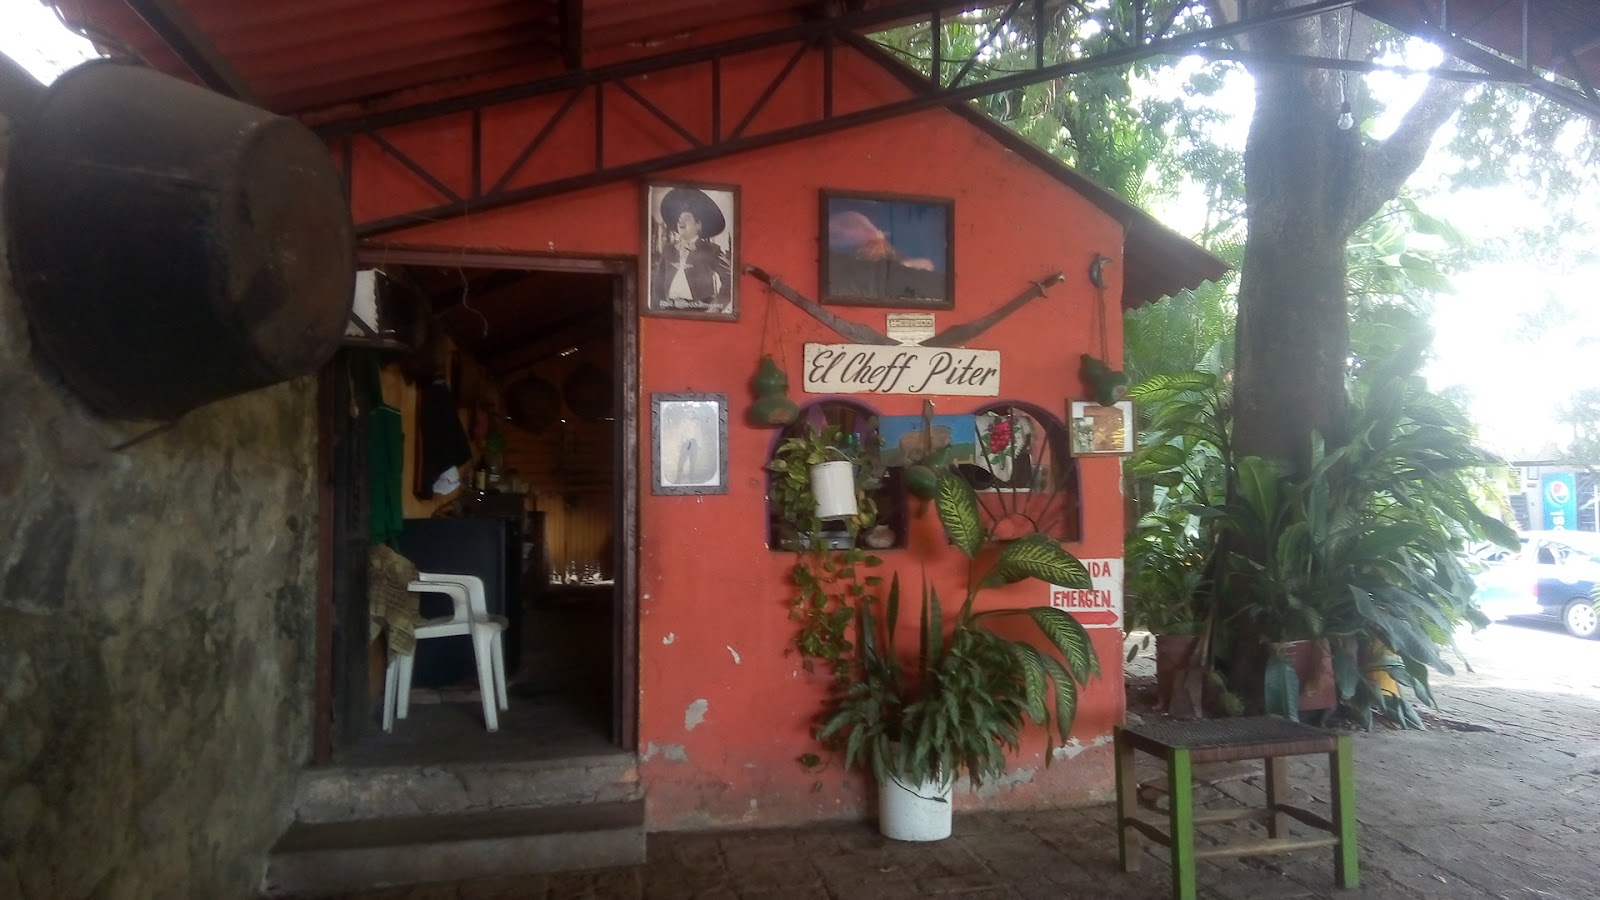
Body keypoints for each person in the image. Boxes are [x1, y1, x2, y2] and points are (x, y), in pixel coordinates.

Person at [652, 187, 732, 311]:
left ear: (698, 225)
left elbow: (729, 280)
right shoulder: (668, 249)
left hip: (700, 310)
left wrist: (716, 307)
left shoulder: (711, 250)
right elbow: (658, 284)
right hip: (669, 310)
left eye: (686, 218)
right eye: (679, 220)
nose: (681, 222)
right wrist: (658, 309)